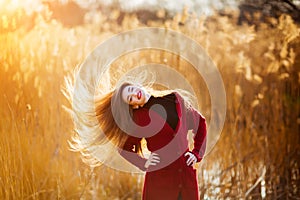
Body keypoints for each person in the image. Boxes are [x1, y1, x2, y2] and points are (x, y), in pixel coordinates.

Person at [67, 77, 207, 200]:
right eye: (130, 98)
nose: (134, 95)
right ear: (133, 105)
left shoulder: (175, 99)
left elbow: (200, 123)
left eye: (131, 90)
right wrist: (144, 163)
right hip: (160, 184)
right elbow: (123, 148)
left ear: (136, 85)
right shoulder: (139, 119)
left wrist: (196, 153)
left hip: (187, 180)